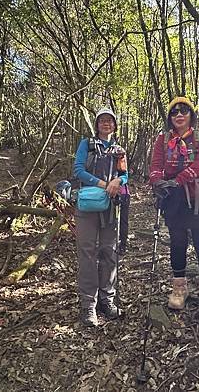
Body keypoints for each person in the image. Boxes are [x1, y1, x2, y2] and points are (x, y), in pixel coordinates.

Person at [149, 97, 199, 322]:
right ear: (169, 118)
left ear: (191, 114)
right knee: (177, 243)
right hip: (172, 200)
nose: (179, 115)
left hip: (197, 197)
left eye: (184, 111)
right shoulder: (163, 140)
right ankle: (179, 287)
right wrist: (158, 182)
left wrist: (178, 180)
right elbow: (155, 165)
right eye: (174, 112)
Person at [73, 108, 128, 327]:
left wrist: (119, 182)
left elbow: (125, 175)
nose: (106, 124)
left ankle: (108, 300)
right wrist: (103, 184)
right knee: (87, 252)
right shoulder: (86, 144)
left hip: (109, 208)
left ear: (114, 125)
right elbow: (78, 170)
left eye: (110, 121)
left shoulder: (118, 150)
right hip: (87, 205)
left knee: (109, 251)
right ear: (97, 125)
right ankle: (88, 305)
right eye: (102, 120)